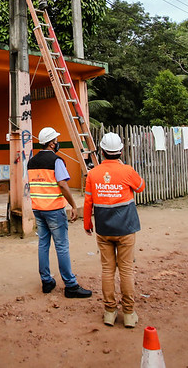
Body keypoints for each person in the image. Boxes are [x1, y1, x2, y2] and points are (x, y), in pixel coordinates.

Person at [83, 132, 146, 328]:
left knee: (107, 270)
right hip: (126, 229)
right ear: (120, 151)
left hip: (103, 229)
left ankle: (109, 312)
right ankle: (128, 313)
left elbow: (88, 202)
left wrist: (87, 224)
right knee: (126, 270)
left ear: (101, 152)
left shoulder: (93, 173)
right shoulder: (127, 170)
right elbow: (141, 187)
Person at [27, 127, 91, 298]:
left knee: (43, 244)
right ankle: (70, 285)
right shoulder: (56, 161)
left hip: (38, 208)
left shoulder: (31, 161)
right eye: (56, 139)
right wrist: (73, 204)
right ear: (52, 142)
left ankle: (46, 281)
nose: (57, 142)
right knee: (62, 246)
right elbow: (62, 185)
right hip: (54, 209)